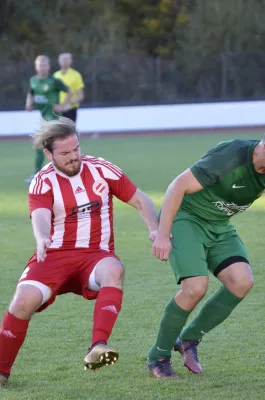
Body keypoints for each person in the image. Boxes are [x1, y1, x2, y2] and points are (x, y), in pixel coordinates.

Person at [0, 117, 158, 387]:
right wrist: (41, 238)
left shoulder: (102, 169)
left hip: (94, 255)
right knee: (23, 300)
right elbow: (39, 215)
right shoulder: (42, 181)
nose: (74, 157)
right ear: (48, 154)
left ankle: (98, 346)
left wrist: (154, 229)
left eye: (76, 149)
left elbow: (140, 199)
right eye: (65, 153)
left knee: (114, 270)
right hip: (54, 255)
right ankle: (2, 371)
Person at [147, 138, 265, 379]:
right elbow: (177, 186)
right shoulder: (232, 155)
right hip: (186, 218)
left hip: (219, 225)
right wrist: (161, 234)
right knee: (195, 288)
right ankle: (158, 357)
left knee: (241, 281)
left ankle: (188, 340)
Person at [25, 55, 73, 184]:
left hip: (54, 119)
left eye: (44, 65)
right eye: (40, 65)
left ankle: (46, 173)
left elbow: (70, 91)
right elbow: (31, 92)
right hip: (44, 119)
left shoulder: (54, 81)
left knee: (48, 146)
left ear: (49, 67)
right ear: (36, 67)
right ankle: (41, 174)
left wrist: (63, 106)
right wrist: (28, 103)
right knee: (43, 146)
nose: (42, 67)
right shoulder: (33, 80)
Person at [53, 53, 85, 122]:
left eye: (67, 59)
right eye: (63, 59)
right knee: (57, 132)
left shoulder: (76, 75)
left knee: (69, 132)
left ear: (71, 61)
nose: (65, 61)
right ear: (59, 61)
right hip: (57, 111)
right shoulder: (55, 76)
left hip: (70, 110)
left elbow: (80, 96)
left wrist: (68, 104)